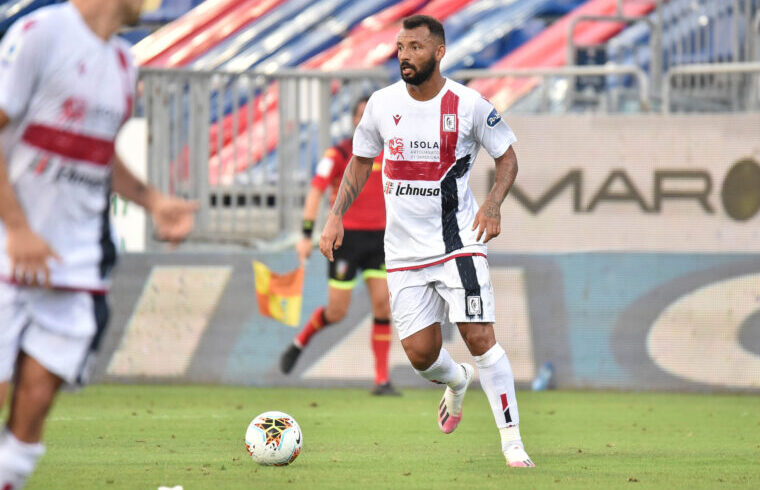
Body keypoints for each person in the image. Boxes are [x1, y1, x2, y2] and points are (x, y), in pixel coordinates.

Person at [319, 14, 534, 467]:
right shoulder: (380, 104)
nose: (405, 56)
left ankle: (513, 444)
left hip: (458, 243)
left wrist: (493, 203)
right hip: (402, 253)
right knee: (420, 355)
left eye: (415, 47)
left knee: (479, 336)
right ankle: (457, 381)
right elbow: (359, 163)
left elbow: (507, 156)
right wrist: (335, 215)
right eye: (400, 47)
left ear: (439, 52)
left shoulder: (470, 104)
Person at [0, 1, 199, 487]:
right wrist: (19, 228)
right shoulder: (40, 33)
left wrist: (152, 200)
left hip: (75, 264)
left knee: (36, 402)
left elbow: (98, 149)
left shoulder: (124, 63)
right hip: (9, 252)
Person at [279, 99, 399, 396]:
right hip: (345, 240)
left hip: (379, 239)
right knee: (337, 311)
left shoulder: (392, 152)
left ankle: (381, 380)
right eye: (361, 115)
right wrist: (306, 234)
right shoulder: (339, 154)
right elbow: (316, 191)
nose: (366, 120)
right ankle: (301, 341)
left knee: (383, 304)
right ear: (355, 121)